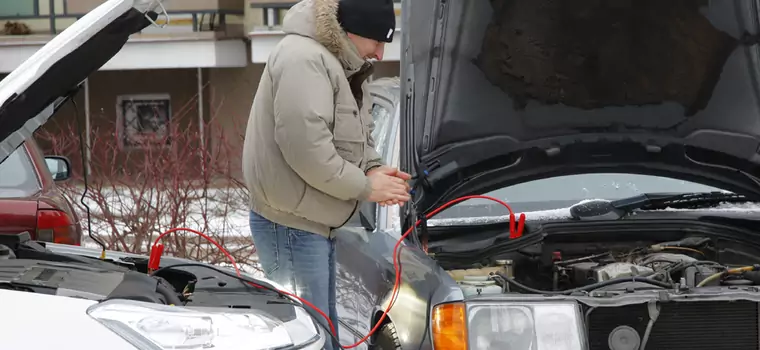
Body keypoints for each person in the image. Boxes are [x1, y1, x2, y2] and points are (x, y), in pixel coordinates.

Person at [241, 0, 407, 348]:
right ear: (351, 31)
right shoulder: (304, 60)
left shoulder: (338, 63)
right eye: (376, 40)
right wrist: (365, 186)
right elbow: (308, 151)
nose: (380, 51)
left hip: (310, 220)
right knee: (307, 339)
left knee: (321, 336)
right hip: (290, 226)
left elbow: (357, 135)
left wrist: (374, 167)